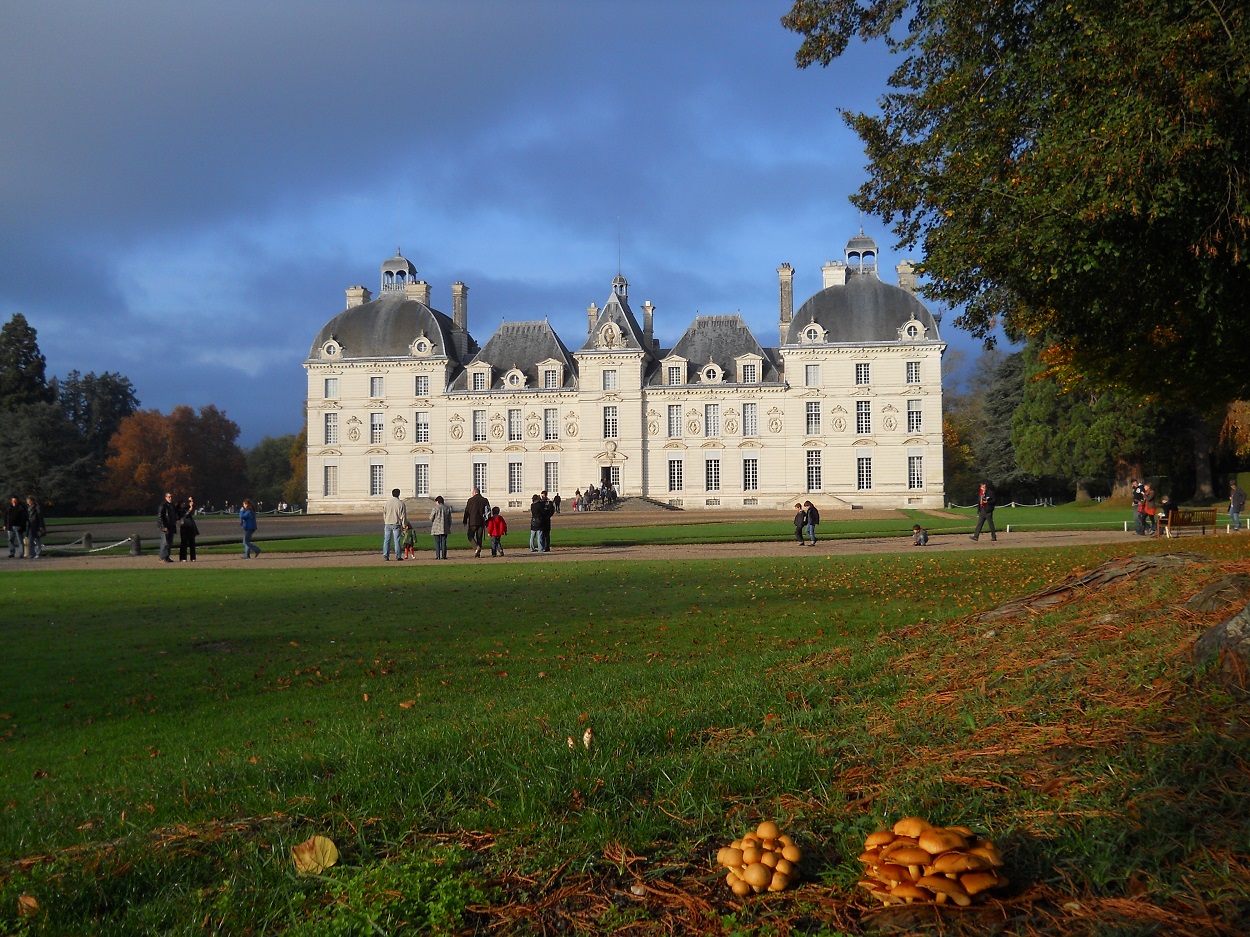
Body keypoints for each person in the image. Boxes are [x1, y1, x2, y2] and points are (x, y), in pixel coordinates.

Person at [463, 486, 489, 558]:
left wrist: (465, 520)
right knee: (479, 537)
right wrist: (487, 521)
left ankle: (476, 547)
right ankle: (478, 553)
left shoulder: (470, 500)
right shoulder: (485, 500)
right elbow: (488, 511)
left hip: (473, 521)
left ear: (474, 492)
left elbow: (467, 511)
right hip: (481, 521)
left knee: (470, 536)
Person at [382, 488, 407, 561]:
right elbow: (403, 516)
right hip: (396, 523)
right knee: (397, 540)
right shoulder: (401, 503)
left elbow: (384, 513)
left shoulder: (387, 502)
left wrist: (385, 521)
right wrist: (404, 525)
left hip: (388, 522)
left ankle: (386, 554)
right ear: (399, 494)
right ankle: (398, 556)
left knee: (387, 539)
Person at [157, 491, 178, 563]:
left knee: (170, 542)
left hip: (171, 526)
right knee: (165, 542)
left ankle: (167, 556)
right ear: (166, 497)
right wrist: (163, 526)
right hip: (165, 527)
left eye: (171, 497)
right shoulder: (163, 506)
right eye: (169, 497)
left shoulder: (172, 506)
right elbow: (160, 517)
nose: (170, 498)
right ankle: (162, 557)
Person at [178, 496, 200, 562]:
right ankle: (183, 557)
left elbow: (192, 506)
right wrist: (190, 510)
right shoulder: (179, 510)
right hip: (184, 528)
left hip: (190, 527)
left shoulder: (186, 508)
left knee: (192, 543)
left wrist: (191, 502)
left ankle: (193, 557)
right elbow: (184, 516)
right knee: (184, 543)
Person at [25, 495, 45, 559]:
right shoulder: (28, 508)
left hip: (36, 525)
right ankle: (32, 553)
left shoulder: (37, 507)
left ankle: (38, 553)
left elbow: (40, 517)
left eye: (29, 501)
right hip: (30, 525)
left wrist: (41, 526)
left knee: (37, 539)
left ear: (32, 501)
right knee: (31, 540)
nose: (28, 502)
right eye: (28, 501)